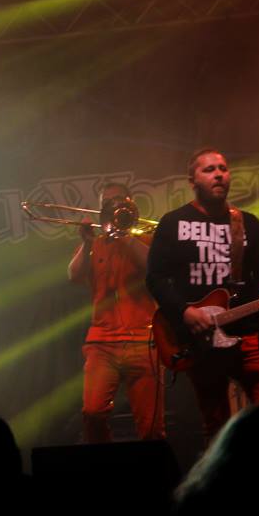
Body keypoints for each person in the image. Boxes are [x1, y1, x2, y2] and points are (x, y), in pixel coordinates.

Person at [145, 150, 259, 440]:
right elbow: (156, 278)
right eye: (209, 170)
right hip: (201, 339)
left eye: (223, 168)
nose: (218, 174)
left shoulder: (247, 223)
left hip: (246, 332)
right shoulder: (173, 223)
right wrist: (184, 312)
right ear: (192, 180)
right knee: (215, 421)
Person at [67, 183, 164, 442]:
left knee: (151, 428)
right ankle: (105, 461)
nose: (113, 206)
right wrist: (86, 243)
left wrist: (125, 235)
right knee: (92, 412)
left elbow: (153, 267)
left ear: (130, 203)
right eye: (106, 203)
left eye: (118, 200)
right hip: (102, 343)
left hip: (143, 341)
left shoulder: (145, 239)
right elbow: (73, 275)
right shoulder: (95, 244)